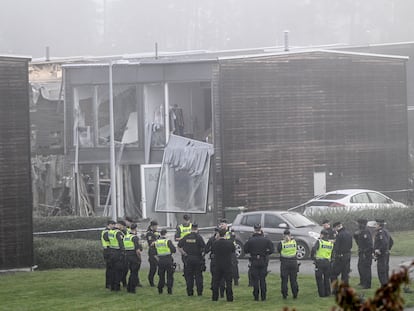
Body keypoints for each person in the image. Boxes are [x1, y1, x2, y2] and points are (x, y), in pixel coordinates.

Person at [243, 224, 274, 301]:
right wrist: (266, 253)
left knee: (255, 280)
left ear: (254, 230)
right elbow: (272, 250)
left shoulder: (250, 240)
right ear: (260, 229)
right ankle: (263, 297)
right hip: (263, 260)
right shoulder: (266, 239)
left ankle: (256, 296)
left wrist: (251, 251)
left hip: (254, 260)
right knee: (263, 280)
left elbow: (245, 250)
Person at [177, 223, 206, 296]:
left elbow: (179, 246)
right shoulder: (199, 237)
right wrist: (202, 255)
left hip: (188, 259)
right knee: (198, 276)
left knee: (189, 276)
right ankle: (199, 292)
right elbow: (204, 248)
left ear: (191, 228)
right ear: (197, 229)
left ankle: (190, 292)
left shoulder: (186, 236)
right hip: (197, 259)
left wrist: (184, 254)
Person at [211, 228, 235, 302]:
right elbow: (233, 251)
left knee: (216, 282)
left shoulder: (215, 243)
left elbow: (213, 251)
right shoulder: (230, 243)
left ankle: (215, 297)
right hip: (227, 265)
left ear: (219, 234)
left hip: (217, 265)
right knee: (228, 282)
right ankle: (229, 298)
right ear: (225, 235)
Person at [311, 229, 334, 297]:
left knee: (319, 278)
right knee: (327, 278)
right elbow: (332, 254)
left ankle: (322, 294)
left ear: (322, 235)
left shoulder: (319, 242)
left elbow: (313, 249)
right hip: (327, 262)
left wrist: (313, 258)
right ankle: (328, 293)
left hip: (320, 262)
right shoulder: (330, 243)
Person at [331, 221, 353, 291]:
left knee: (333, 274)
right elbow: (351, 245)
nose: (334, 230)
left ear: (337, 227)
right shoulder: (349, 233)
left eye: (334, 228)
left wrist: (334, 243)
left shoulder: (339, 235)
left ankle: (335, 290)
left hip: (340, 257)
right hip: (347, 255)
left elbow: (337, 247)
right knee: (345, 274)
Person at [277, 229, 299, 299]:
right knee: (293, 280)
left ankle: (284, 294)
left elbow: (279, 251)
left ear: (283, 235)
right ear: (290, 235)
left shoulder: (281, 243)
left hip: (284, 263)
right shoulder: (294, 242)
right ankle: (295, 294)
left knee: (284, 280)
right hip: (293, 262)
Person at [205, 227, 226, 298]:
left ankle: (216, 293)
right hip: (222, 260)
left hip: (214, 260)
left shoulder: (212, 240)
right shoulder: (224, 240)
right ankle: (221, 293)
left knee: (215, 277)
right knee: (221, 277)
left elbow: (206, 249)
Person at [219, 218, 240, 286]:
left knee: (234, 266)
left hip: (231, 251)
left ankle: (236, 280)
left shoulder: (230, 232)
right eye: (220, 224)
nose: (221, 226)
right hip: (223, 251)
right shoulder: (220, 232)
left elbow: (232, 240)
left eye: (222, 224)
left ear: (226, 224)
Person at [155, 228, 176, 294]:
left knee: (161, 276)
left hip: (160, 260)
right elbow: (174, 250)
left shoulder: (156, 242)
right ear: (166, 234)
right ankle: (169, 290)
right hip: (168, 259)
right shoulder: (167, 241)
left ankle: (160, 289)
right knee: (169, 276)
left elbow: (154, 252)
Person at [353, 218, 373, 289]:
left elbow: (370, 245)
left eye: (358, 223)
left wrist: (365, 252)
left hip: (366, 253)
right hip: (361, 252)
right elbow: (359, 242)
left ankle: (367, 284)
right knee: (360, 267)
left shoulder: (366, 232)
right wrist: (355, 236)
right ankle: (362, 282)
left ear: (362, 224)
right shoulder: (361, 231)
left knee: (366, 268)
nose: (357, 225)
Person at [123, 223, 143, 293]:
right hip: (134, 256)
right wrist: (140, 258)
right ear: (135, 229)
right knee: (134, 273)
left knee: (131, 272)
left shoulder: (126, 237)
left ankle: (129, 287)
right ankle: (131, 288)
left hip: (127, 256)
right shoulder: (134, 237)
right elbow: (138, 250)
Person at [374, 219, 394, 286]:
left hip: (382, 254)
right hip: (386, 253)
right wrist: (388, 249)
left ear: (379, 226)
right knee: (385, 269)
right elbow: (391, 241)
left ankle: (384, 285)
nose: (375, 226)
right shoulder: (386, 231)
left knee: (381, 270)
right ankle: (387, 283)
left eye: (376, 224)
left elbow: (384, 242)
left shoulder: (381, 232)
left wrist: (379, 250)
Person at [108, 220, 126, 291]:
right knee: (118, 271)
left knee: (112, 270)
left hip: (111, 252)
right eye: (123, 226)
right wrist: (123, 252)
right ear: (120, 225)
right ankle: (117, 287)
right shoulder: (118, 233)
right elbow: (121, 243)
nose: (123, 228)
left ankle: (112, 286)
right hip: (118, 253)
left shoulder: (110, 232)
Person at [101, 219, 115, 289]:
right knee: (109, 268)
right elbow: (108, 239)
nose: (114, 226)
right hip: (108, 250)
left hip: (109, 250)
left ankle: (111, 282)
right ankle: (108, 284)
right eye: (113, 224)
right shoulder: (106, 232)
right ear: (109, 225)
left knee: (111, 268)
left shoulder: (109, 231)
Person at [145, 220, 160, 287]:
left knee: (160, 267)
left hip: (158, 251)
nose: (157, 227)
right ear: (152, 226)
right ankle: (151, 281)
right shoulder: (149, 233)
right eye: (156, 226)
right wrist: (158, 241)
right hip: (152, 252)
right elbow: (151, 243)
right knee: (153, 268)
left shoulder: (155, 232)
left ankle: (161, 281)